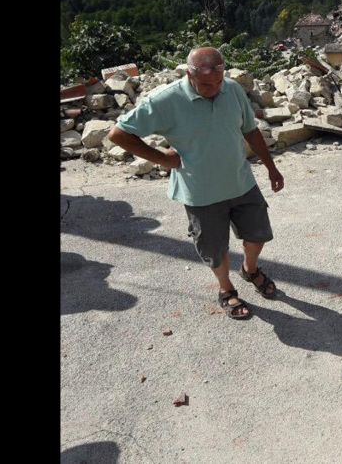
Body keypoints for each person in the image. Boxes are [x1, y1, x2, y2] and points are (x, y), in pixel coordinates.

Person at [108, 47, 285, 320]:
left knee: (258, 234)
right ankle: (226, 289)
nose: (214, 89)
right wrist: (161, 159)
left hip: (241, 181)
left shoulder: (232, 89)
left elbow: (250, 129)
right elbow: (118, 134)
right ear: (189, 73)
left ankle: (250, 270)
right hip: (200, 192)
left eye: (218, 81)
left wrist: (272, 167)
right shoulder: (165, 100)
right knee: (215, 249)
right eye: (205, 84)